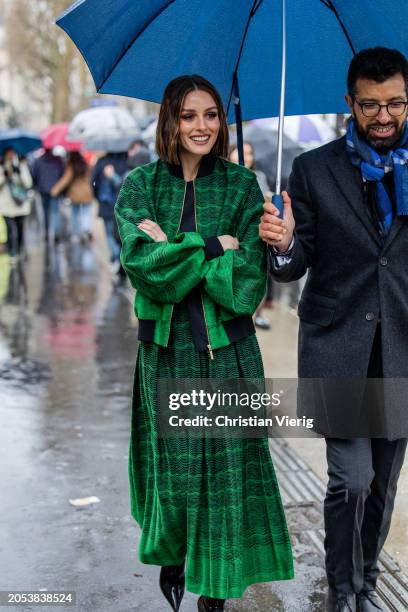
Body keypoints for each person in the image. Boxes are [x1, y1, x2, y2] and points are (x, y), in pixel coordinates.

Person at [115, 75, 293, 612]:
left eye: (211, 115)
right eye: (189, 115)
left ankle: (213, 594)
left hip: (231, 355)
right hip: (164, 354)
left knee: (226, 473)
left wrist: (179, 248)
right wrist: (213, 244)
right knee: (172, 469)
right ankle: (173, 557)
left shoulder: (243, 188)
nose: (202, 126)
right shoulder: (140, 187)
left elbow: (243, 286)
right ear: (170, 119)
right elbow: (146, 268)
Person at [259, 47, 408, 612]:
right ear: (350, 103)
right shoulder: (314, 169)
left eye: (395, 103)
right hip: (336, 347)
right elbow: (295, 265)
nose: (384, 116)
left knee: (384, 486)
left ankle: (366, 584)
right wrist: (284, 240)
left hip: (400, 348)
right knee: (353, 479)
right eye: (370, 105)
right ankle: (341, 593)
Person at [229, 142, 274, 330]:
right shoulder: (225, 177)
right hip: (232, 236)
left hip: (256, 235)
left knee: (259, 275)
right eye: (240, 152)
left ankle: (256, 314)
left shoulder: (260, 177)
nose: (246, 156)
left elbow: (264, 201)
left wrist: (270, 199)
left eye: (249, 153)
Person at [92, 152, 128, 272]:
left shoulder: (102, 161)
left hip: (106, 203)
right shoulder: (126, 159)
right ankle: (119, 257)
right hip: (122, 203)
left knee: (109, 233)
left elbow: (94, 181)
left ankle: (116, 256)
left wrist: (97, 196)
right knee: (119, 233)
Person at [50, 151, 94, 243]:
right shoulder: (85, 164)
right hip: (87, 192)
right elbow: (91, 177)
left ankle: (76, 233)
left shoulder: (71, 166)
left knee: (75, 214)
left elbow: (65, 180)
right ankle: (86, 229)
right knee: (86, 213)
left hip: (75, 194)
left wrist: (55, 190)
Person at [0, 148, 33, 259]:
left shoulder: (21, 166)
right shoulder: (1, 167)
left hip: (20, 204)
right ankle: (11, 251)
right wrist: (5, 176)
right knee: (10, 228)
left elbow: (28, 183)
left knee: (19, 228)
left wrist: (18, 173)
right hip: (6, 205)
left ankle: (18, 249)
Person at [31, 148, 65, 243]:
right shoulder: (58, 160)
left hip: (43, 189)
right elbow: (62, 174)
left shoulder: (38, 161)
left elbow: (34, 175)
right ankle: (56, 233)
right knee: (55, 212)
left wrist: (37, 185)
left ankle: (46, 233)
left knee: (46, 212)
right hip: (55, 190)